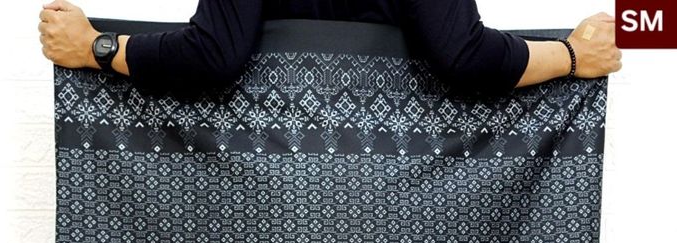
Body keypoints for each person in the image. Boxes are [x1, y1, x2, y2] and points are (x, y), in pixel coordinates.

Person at [38, 0, 622, 97]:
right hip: (394, 208)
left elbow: (213, 55)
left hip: (265, 210)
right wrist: (570, 56)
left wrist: (96, 48)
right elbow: (465, 58)